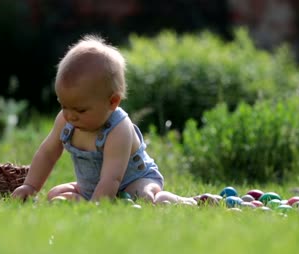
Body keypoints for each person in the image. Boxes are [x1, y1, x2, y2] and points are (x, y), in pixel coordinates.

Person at [11, 35, 197, 205]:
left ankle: (187, 202)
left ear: (112, 102)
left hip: (133, 182)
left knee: (145, 197)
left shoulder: (118, 129)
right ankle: (87, 199)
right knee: (55, 193)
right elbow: (47, 153)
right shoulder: (66, 120)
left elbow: (112, 178)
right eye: (63, 105)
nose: (70, 115)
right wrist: (31, 186)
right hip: (93, 187)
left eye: (80, 109)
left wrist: (95, 207)